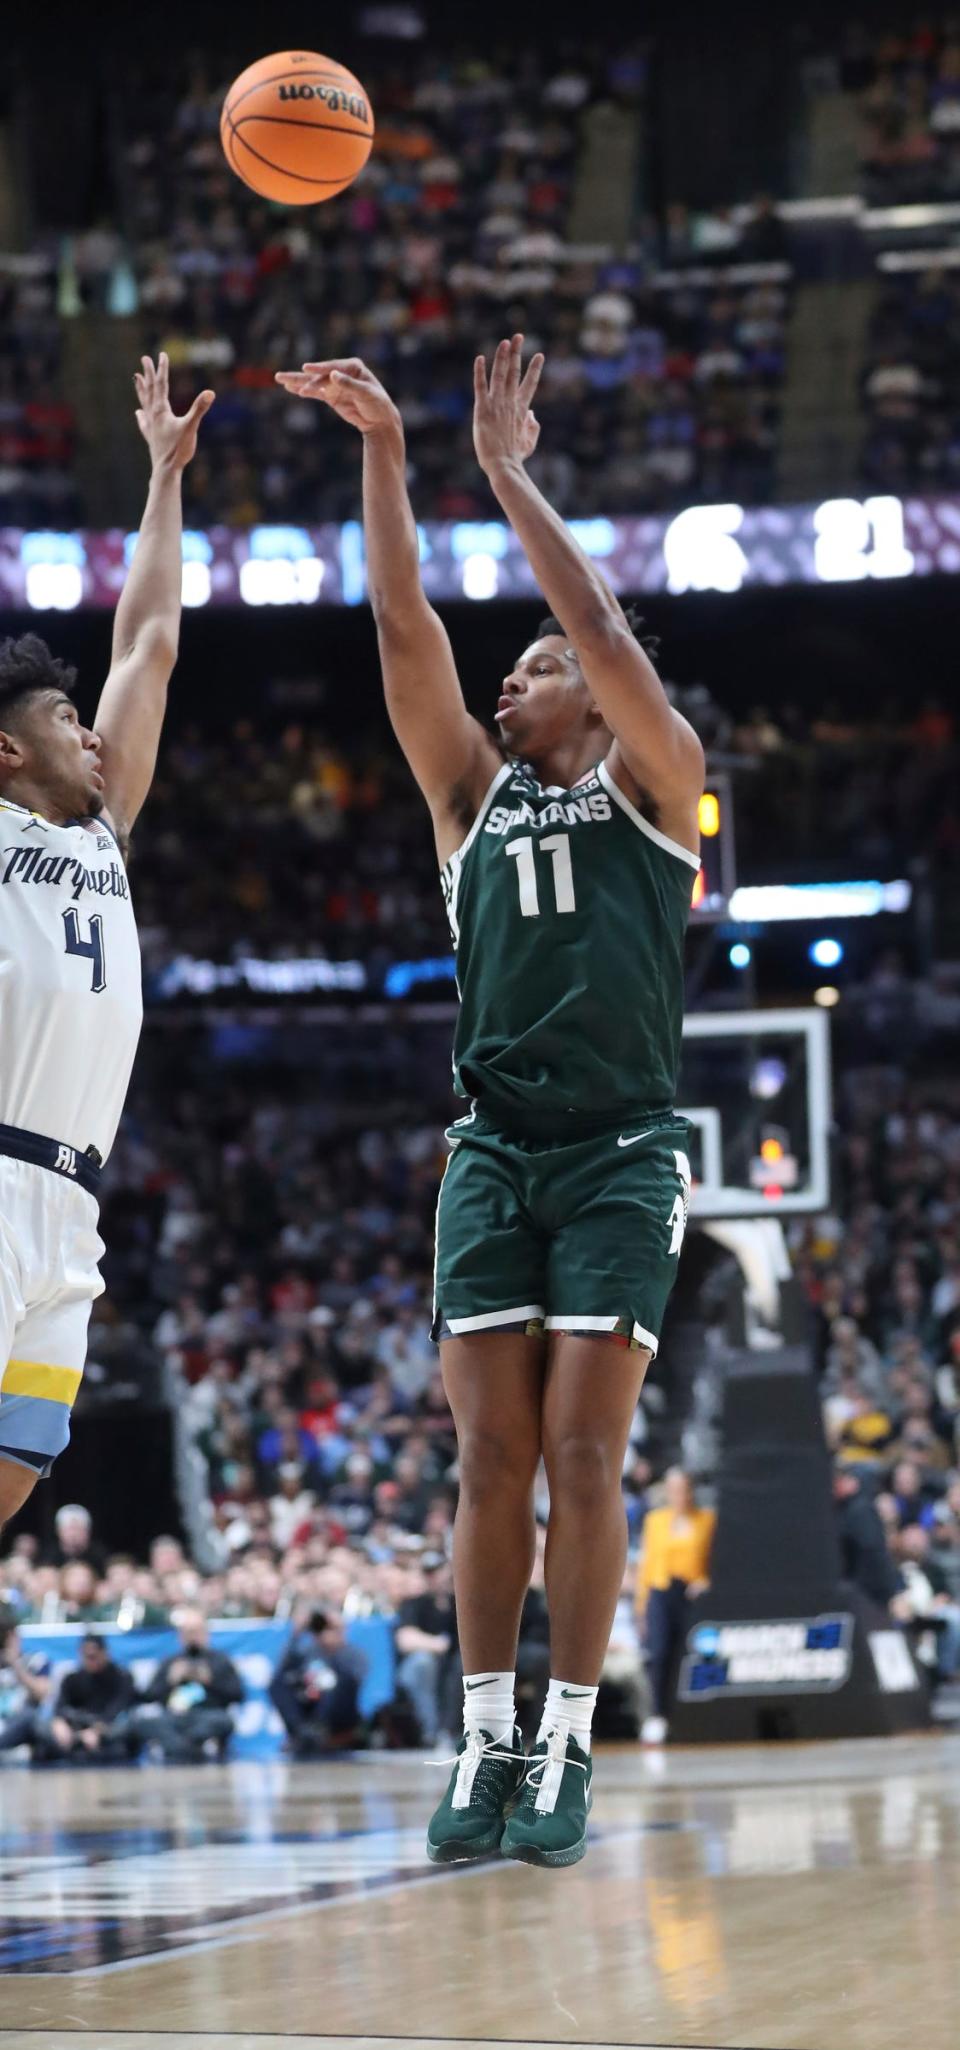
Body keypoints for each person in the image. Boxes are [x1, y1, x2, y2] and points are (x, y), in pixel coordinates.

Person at [278, 334, 703, 1868]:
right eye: (510, 669)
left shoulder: (662, 778)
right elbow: (403, 626)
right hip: (494, 1146)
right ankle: (484, 1739)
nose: (512, 680)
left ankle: (572, 1739)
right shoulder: (471, 795)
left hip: (621, 1149)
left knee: (586, 1455)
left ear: (590, 694)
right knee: (492, 1460)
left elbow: (592, 616)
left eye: (534, 669)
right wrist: (390, 454)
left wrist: (509, 475)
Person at [0, 354, 214, 1530]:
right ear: (7, 754)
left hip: (72, 1201)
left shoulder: (105, 833)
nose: (92, 740)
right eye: (63, 726)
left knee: (24, 1457)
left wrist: (163, 477)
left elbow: (150, 645)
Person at [635, 1469, 716, 1744]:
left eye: (682, 1488)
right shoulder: (656, 1520)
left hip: (691, 1593)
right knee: (658, 1652)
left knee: (692, 1651)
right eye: (672, 1489)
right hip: (661, 1590)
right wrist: (641, 1604)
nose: (678, 1495)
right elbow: (647, 1564)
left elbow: (714, 1559)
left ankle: (691, 1714)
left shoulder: (706, 1520)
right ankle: (658, 1713)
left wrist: (705, 1580)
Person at [136, 1607, 243, 1762]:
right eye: (188, 1632)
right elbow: (149, 1695)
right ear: (180, 1636)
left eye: (196, 1632)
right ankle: (190, 1748)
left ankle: (177, 1747)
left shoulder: (219, 1661)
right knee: (144, 1722)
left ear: (206, 1633)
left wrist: (210, 1681)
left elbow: (237, 1695)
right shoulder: (171, 1662)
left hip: (207, 1715)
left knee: (224, 1721)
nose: (192, 1637)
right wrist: (170, 1681)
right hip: (174, 1717)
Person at [269, 1607, 366, 1754]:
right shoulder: (308, 1651)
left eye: (332, 1628)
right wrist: (296, 1635)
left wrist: (332, 1650)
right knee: (278, 1683)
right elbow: (282, 1672)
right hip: (309, 1704)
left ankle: (318, 1730)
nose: (326, 1632)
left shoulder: (353, 1653)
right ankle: (300, 1732)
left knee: (335, 1682)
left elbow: (353, 1681)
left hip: (338, 1713)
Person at [395, 1553, 461, 1747]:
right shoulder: (414, 1602)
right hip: (421, 1664)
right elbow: (405, 1640)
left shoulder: (455, 1602)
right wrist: (437, 1644)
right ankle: (431, 1732)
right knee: (424, 1663)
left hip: (452, 1664)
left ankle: (452, 1731)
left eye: (437, 1572)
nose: (433, 1577)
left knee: (461, 1668)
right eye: (428, 1573)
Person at [46, 1632, 138, 1762]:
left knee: (124, 1732)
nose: (89, 1660)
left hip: (107, 1731)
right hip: (75, 1729)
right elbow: (60, 1707)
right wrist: (59, 1723)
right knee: (41, 1725)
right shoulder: (72, 1679)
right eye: (86, 1655)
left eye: (93, 1656)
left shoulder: (122, 1677)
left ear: (104, 1653)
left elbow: (115, 1711)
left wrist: (95, 1731)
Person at [0, 1612, 52, 1754]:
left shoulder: (35, 1661)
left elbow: (43, 1693)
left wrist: (16, 1664)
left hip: (20, 1723)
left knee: (29, 1717)